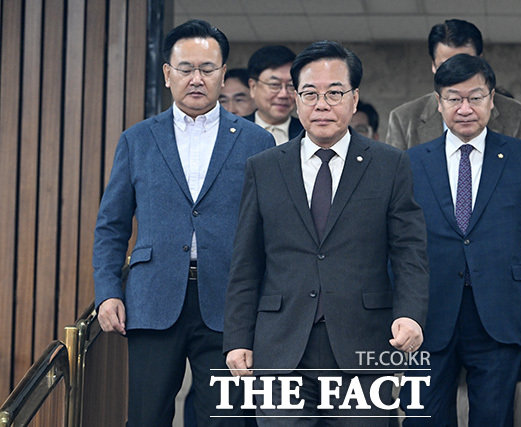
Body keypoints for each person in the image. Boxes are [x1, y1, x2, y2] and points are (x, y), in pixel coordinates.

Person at [223, 40, 430, 426]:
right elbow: (246, 262)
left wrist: (411, 316)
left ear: (354, 99)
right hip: (281, 346)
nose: (322, 104)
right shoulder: (264, 168)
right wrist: (237, 338)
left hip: (363, 346)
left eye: (334, 93)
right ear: (296, 99)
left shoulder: (389, 165)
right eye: (310, 94)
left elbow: (409, 252)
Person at [92, 19, 274, 426]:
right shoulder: (138, 139)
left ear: (223, 74)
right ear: (167, 73)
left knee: (225, 419)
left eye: (207, 69)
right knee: (146, 416)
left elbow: (269, 231)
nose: (196, 79)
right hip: (152, 299)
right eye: (186, 68)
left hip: (229, 303)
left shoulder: (255, 141)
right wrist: (107, 292)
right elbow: (111, 226)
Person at [401, 54, 521, 427]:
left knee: (493, 418)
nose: (465, 108)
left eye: (475, 97)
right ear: (439, 102)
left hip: (499, 311)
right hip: (429, 314)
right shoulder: (411, 162)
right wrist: (398, 310)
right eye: (453, 98)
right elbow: (398, 244)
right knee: (423, 418)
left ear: (491, 100)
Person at [386, 19, 521, 150]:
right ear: (433, 65)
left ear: (481, 61)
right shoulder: (404, 119)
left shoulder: (517, 115)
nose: (456, 75)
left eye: (466, 65)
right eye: (445, 66)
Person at [244, 45, 304, 144]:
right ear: (253, 87)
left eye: (291, 85)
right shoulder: (236, 131)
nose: (283, 94)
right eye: (274, 85)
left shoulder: (307, 133)